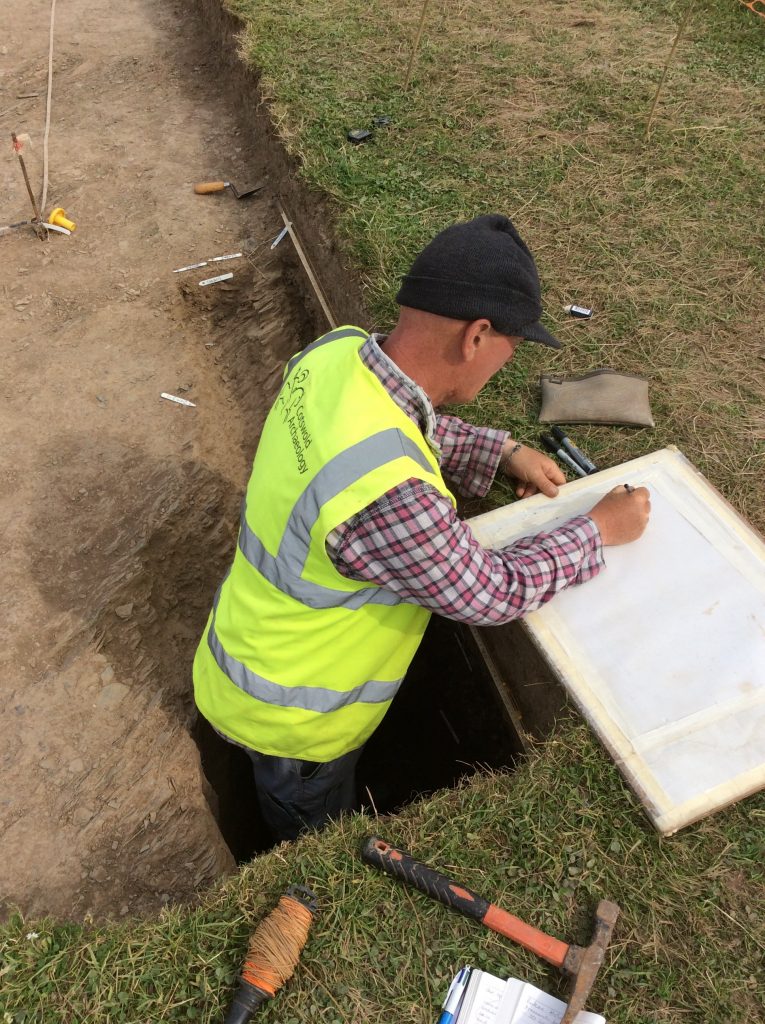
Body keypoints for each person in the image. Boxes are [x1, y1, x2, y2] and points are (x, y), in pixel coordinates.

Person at [193, 214, 650, 842]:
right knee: (312, 835)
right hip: (297, 725)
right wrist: (598, 529)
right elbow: (492, 591)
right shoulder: (389, 495)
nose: (504, 369)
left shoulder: (335, 355)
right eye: (509, 353)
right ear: (477, 337)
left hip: (244, 651)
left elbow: (394, 424)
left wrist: (499, 452)